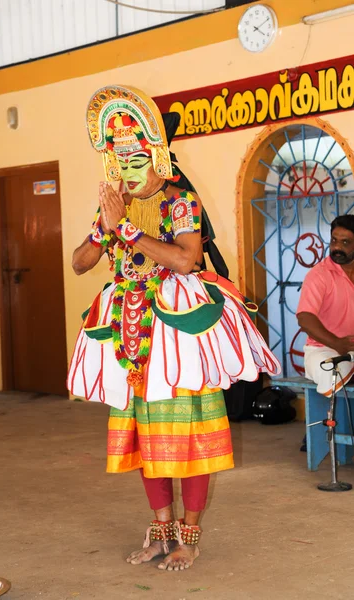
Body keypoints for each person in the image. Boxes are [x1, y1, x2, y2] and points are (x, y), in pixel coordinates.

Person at [67, 85, 280, 571]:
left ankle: (190, 536)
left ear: (156, 154)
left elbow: (186, 259)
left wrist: (126, 230)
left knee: (187, 437)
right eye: (118, 159)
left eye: (136, 156)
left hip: (178, 340)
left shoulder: (178, 200)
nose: (127, 167)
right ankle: (161, 532)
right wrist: (104, 227)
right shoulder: (113, 206)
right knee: (146, 439)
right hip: (130, 337)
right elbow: (80, 263)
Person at [297, 214, 354, 397]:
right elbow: (305, 318)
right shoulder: (319, 275)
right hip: (322, 349)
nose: (337, 247)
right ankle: (333, 423)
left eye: (345, 243)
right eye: (334, 241)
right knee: (334, 373)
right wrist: (337, 344)